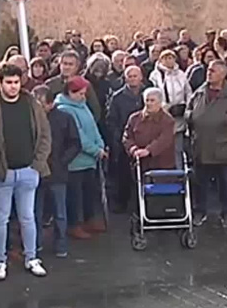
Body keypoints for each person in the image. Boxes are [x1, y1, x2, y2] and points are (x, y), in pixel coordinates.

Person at [0, 63, 51, 280]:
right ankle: (0, 261)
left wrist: (37, 164)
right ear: (0, 83)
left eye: (16, 82)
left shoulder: (31, 103)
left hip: (28, 170)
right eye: (9, 82)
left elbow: (44, 135)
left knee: (28, 217)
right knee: (0, 218)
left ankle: (32, 257)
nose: (13, 87)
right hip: (1, 173)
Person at [186, 60, 227, 229]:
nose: (209, 73)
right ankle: (200, 211)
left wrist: (224, 119)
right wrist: (191, 116)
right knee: (200, 183)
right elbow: (189, 108)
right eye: (209, 70)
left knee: (225, 184)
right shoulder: (200, 91)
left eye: (213, 71)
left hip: (222, 146)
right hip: (201, 144)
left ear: (223, 74)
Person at [56, 76, 108, 239]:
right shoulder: (65, 109)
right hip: (75, 161)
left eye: (84, 93)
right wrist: (95, 150)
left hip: (89, 161)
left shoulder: (83, 105)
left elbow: (92, 127)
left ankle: (89, 219)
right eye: (80, 93)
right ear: (70, 92)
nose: (83, 96)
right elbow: (79, 135)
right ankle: (74, 224)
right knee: (75, 195)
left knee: (89, 192)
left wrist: (101, 144)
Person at [33, 86, 80, 257]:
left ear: (51, 103)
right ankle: (35, 244)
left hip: (57, 172)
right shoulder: (30, 119)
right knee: (34, 212)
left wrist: (62, 161)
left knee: (60, 212)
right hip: (36, 171)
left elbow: (75, 143)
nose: (37, 106)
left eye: (41, 103)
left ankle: (61, 245)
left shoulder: (64, 118)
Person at [105, 66, 146, 214]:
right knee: (123, 175)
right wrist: (119, 139)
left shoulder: (148, 93)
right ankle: (122, 202)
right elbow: (111, 120)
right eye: (130, 76)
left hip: (145, 140)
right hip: (125, 141)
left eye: (136, 76)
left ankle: (144, 204)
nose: (133, 78)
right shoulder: (117, 97)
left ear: (141, 77)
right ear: (125, 78)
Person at [148, 49, 192, 169]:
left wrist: (186, 106)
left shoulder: (181, 74)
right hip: (163, 115)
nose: (169, 61)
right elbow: (153, 94)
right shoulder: (155, 75)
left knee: (178, 148)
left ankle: (180, 171)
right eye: (165, 58)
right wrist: (165, 107)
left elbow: (188, 92)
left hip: (179, 116)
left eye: (171, 58)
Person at [46, 51, 102, 122]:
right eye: (65, 64)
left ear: (77, 67)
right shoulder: (50, 84)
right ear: (60, 65)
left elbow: (95, 110)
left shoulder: (85, 84)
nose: (67, 67)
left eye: (70, 64)